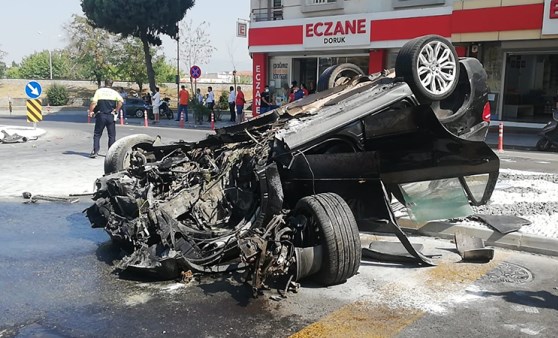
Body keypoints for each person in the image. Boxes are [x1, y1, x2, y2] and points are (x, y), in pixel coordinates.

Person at [88, 79, 123, 158]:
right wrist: (116, 110)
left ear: (104, 83)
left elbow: (94, 103)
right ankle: (111, 153)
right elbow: (121, 102)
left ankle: (95, 151)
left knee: (97, 134)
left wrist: (91, 111)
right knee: (111, 135)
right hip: (110, 115)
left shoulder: (99, 91)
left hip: (101, 115)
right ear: (111, 84)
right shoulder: (114, 93)